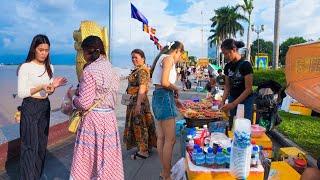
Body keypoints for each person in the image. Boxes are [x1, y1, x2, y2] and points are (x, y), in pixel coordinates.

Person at [68, 36, 124, 179]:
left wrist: (73, 98)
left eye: (83, 53)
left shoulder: (89, 71)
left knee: (88, 158)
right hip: (109, 119)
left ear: (88, 52)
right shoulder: (113, 70)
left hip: (93, 121)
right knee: (108, 158)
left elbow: (85, 103)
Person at [17, 34, 67, 180]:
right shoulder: (25, 67)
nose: (44, 53)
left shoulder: (50, 67)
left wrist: (53, 88)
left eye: (47, 50)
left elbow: (47, 91)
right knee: (29, 146)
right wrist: (41, 86)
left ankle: (36, 176)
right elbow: (21, 93)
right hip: (30, 106)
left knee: (41, 146)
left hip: (44, 107)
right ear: (34, 49)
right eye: (41, 50)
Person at [150, 41, 184, 180]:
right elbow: (165, 82)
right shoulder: (169, 58)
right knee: (170, 140)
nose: (179, 58)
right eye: (180, 54)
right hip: (164, 97)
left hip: (158, 97)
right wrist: (176, 88)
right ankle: (166, 173)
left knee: (161, 138)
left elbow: (160, 83)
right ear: (176, 51)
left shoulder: (161, 58)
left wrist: (173, 96)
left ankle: (165, 171)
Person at [123, 49, 157, 160]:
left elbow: (142, 87)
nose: (133, 59)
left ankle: (143, 151)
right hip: (135, 101)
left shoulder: (142, 71)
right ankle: (147, 146)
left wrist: (138, 104)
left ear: (143, 58)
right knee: (143, 124)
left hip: (138, 102)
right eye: (132, 57)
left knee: (139, 125)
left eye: (136, 57)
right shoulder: (139, 70)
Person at [219, 39, 254, 127]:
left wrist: (234, 104)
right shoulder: (227, 67)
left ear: (234, 50)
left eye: (226, 53)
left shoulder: (246, 65)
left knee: (243, 126)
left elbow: (248, 89)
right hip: (232, 98)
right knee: (233, 124)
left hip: (246, 100)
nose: (225, 56)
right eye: (223, 54)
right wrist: (222, 101)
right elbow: (227, 86)